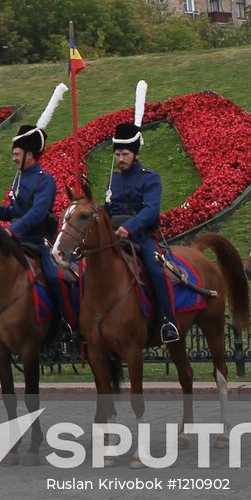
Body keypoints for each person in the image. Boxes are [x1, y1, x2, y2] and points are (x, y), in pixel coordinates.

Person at [0, 117, 74, 340]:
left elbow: (37, 213)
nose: (13, 157)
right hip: (17, 240)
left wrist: (13, 229)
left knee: (54, 277)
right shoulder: (18, 179)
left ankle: (66, 323)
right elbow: (13, 212)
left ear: (30, 154)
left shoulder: (45, 181)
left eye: (16, 153)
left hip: (39, 241)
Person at [104, 119, 178, 344]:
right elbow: (108, 210)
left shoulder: (150, 178)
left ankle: (168, 321)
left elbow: (151, 210)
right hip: (115, 238)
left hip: (141, 237)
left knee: (156, 270)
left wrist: (130, 227)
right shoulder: (113, 180)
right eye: (117, 154)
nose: (120, 159)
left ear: (134, 154)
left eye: (124, 154)